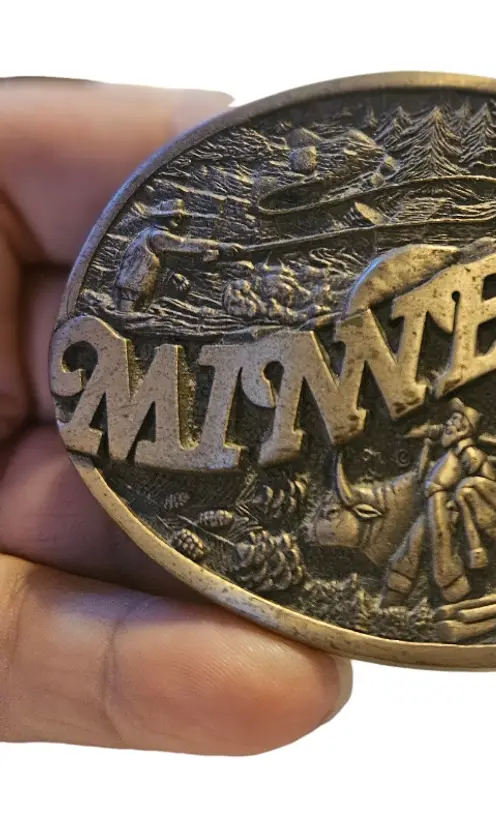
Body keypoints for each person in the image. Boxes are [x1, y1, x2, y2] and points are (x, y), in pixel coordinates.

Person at [0, 80, 350, 755]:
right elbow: (178, 250)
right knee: (145, 318)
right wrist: (209, 255)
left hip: (131, 320)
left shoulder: (158, 238)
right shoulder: (155, 239)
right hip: (131, 309)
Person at [382, 399, 496, 607]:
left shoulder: (470, 454)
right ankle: (391, 603)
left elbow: (488, 483)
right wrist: (427, 446)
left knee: (444, 562)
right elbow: (421, 477)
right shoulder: (448, 454)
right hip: (431, 507)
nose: (448, 424)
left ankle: (460, 599)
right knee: (409, 551)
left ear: (464, 428)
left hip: (443, 508)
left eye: (454, 419)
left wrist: (461, 502)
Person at [112, 199, 241, 311]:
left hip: (136, 282)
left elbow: (158, 261)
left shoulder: (151, 233)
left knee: (130, 311)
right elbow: (183, 244)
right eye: (175, 215)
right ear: (165, 217)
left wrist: (172, 275)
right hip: (133, 284)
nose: (179, 219)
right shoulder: (157, 236)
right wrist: (219, 246)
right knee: (126, 313)